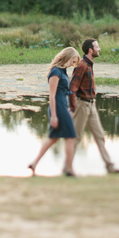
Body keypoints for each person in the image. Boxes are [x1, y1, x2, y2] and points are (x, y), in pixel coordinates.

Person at [69, 38, 119, 174]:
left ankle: (110, 167)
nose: (99, 49)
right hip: (82, 105)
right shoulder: (82, 65)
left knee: (100, 136)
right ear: (90, 50)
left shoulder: (89, 65)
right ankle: (68, 167)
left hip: (91, 105)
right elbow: (72, 88)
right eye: (97, 47)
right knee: (76, 138)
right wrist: (72, 108)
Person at [28, 47, 81, 177]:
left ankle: (34, 163)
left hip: (63, 106)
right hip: (57, 107)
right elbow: (52, 96)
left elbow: (64, 93)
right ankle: (69, 168)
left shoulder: (63, 71)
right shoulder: (55, 72)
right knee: (71, 136)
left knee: (53, 137)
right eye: (73, 61)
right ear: (67, 57)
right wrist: (54, 116)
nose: (73, 64)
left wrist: (69, 109)